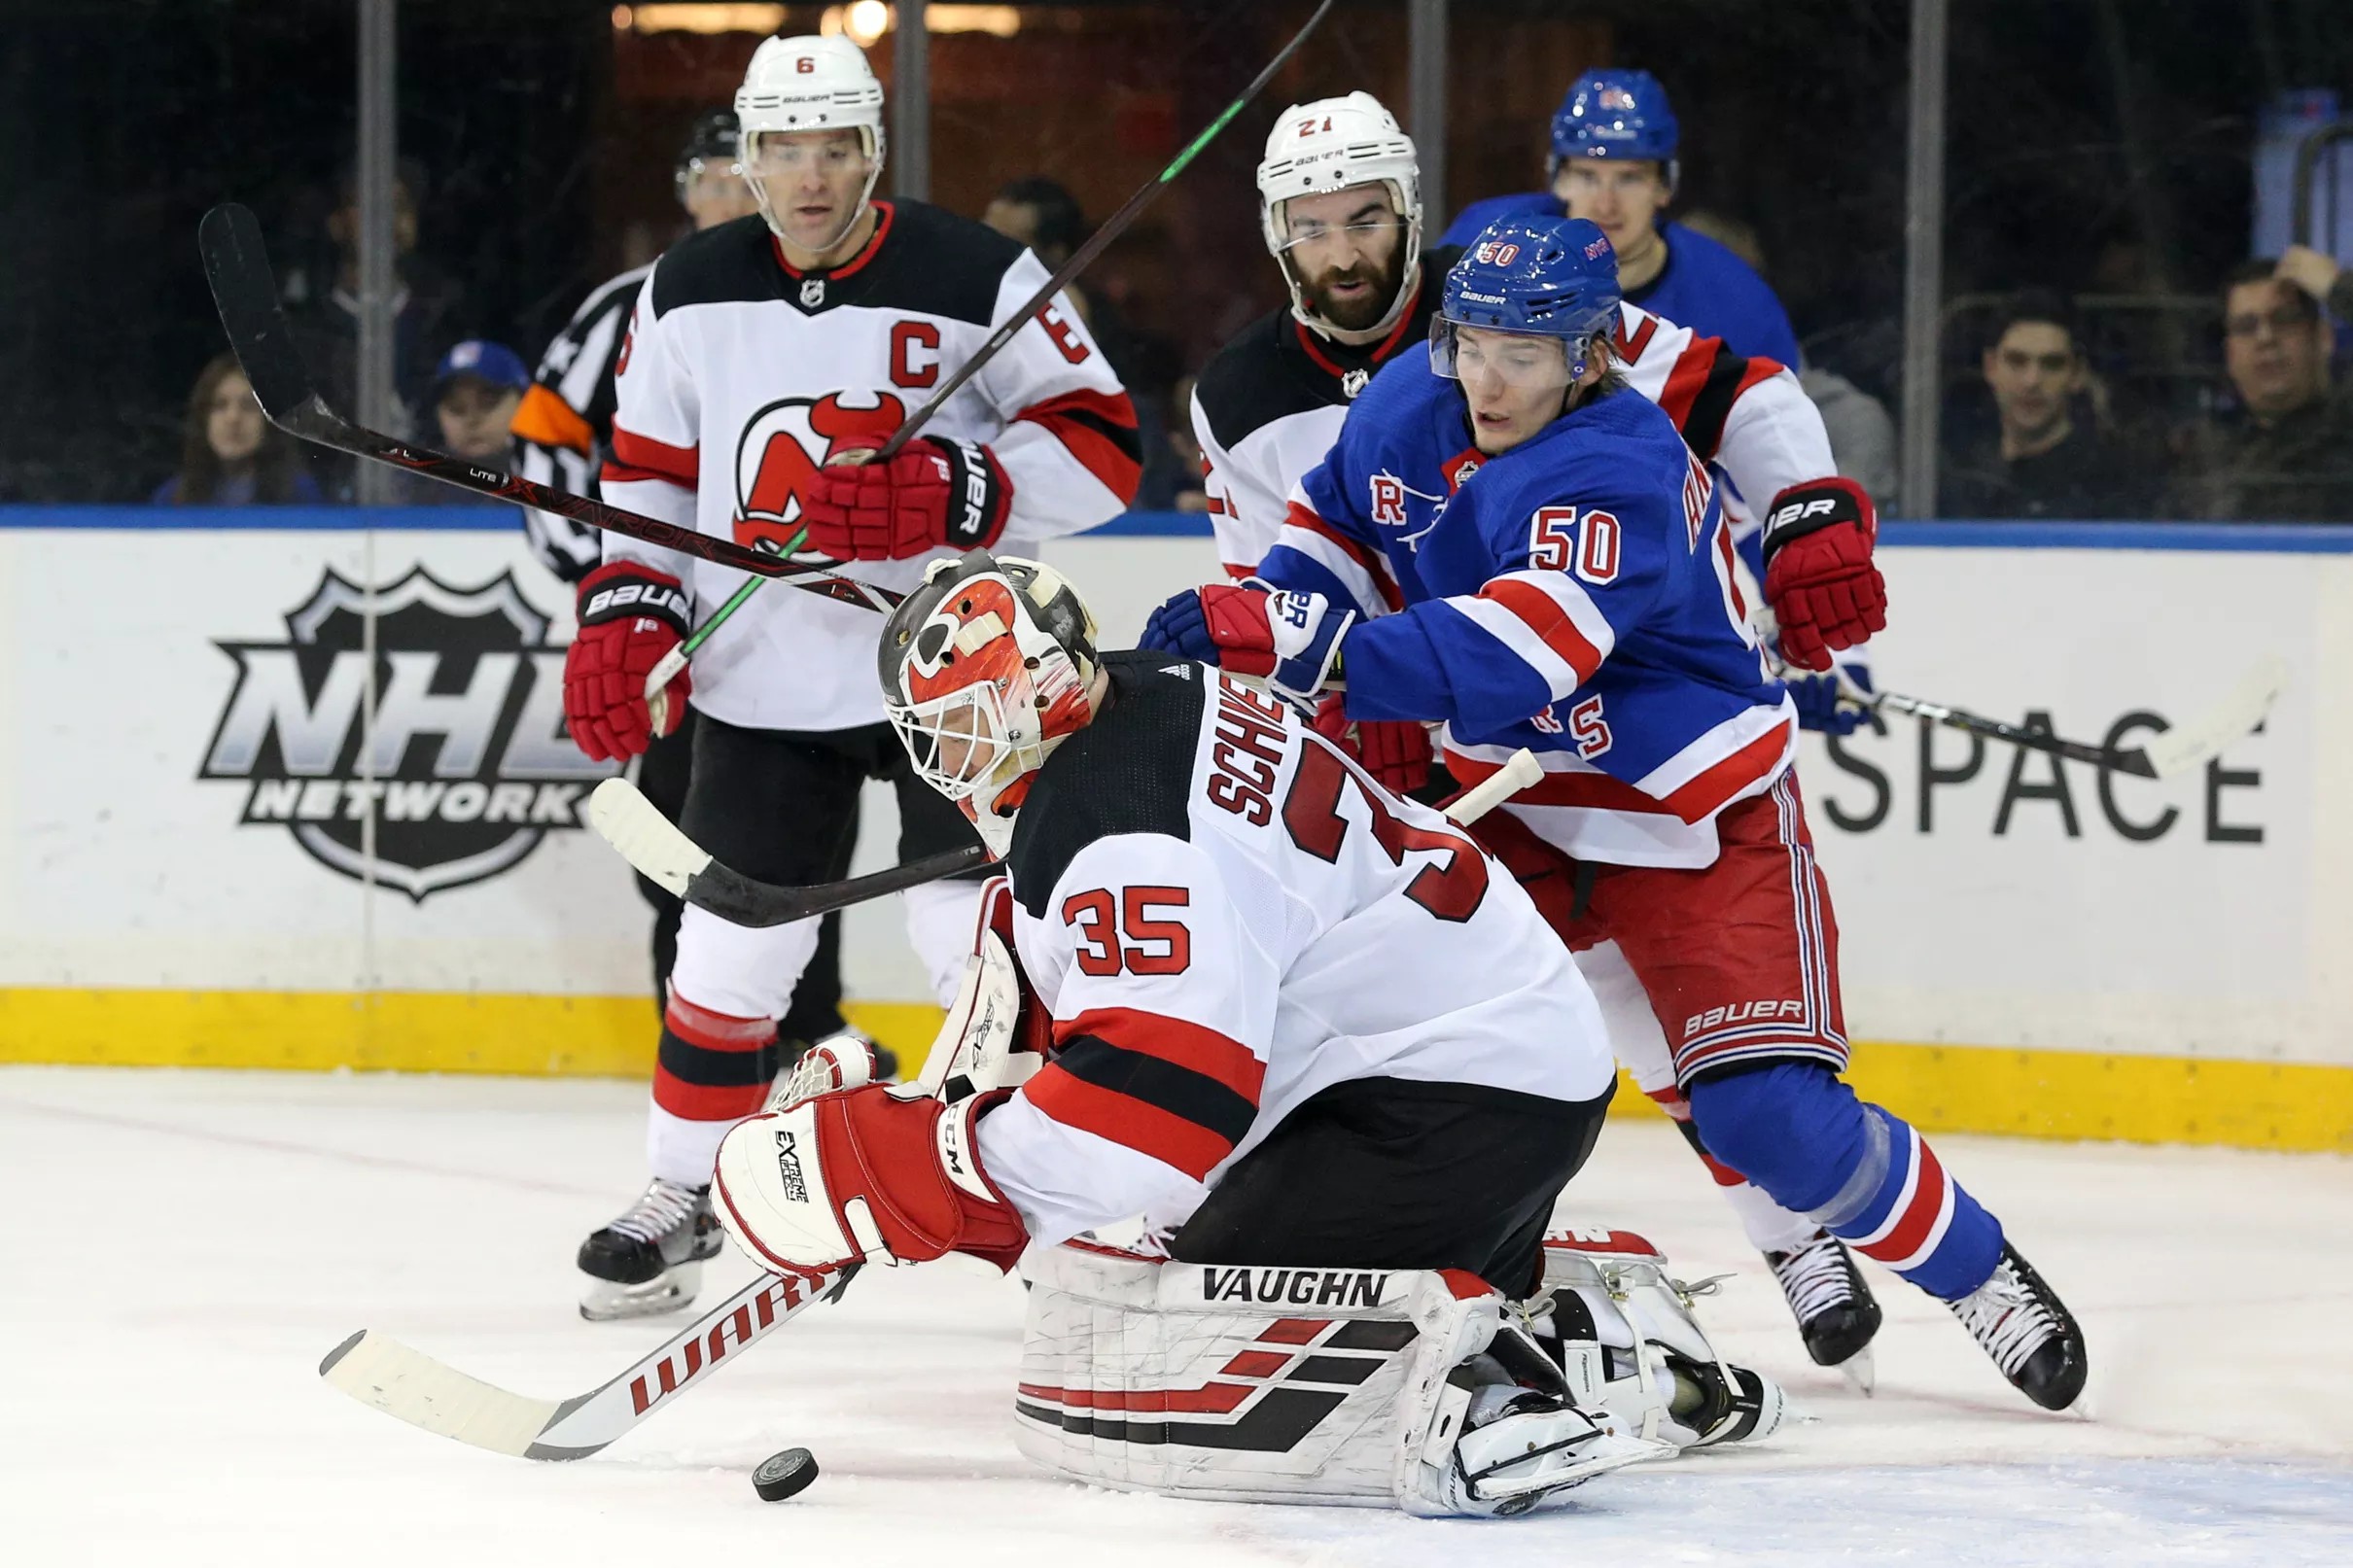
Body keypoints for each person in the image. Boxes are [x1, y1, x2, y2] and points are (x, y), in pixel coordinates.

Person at [1140, 218, 2089, 1414]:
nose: (1485, 379)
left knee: (1772, 1112)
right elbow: (1335, 534)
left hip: (1681, 803)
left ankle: (1973, 1270)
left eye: (1522, 354)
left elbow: (1516, 652)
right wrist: (1279, 612)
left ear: (1590, 354)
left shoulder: (1617, 463)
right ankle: (1397, 1284)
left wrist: (1314, 649)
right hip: (1511, 807)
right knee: (1424, 1050)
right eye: (1468, 342)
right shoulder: (1402, 401)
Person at [706, 550, 1786, 1516]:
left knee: (1131, 1354)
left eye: (959, 728)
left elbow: (1153, 1119)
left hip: (1432, 1105)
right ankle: (1602, 1344)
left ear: (1033, 689)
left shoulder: (1124, 827)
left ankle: (1490, 1400)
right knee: (1148, 1267)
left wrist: (900, 1174)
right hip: (1488, 1064)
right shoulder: (1152, 691)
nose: (950, 764)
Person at [1186, 94, 1891, 1380]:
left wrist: (1802, 517)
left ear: (1412, 213)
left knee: (1644, 992)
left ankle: (1786, 1227)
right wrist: (1343, 713)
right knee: (1490, 1008)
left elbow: (1739, 394)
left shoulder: (1516, 293)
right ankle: (1333, 1249)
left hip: (1547, 700)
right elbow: (1287, 589)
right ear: (1277, 238)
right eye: (1313, 226)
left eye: (1366, 218)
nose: (1344, 251)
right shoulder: (1235, 396)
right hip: (1402, 727)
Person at [563, 34, 1140, 1321]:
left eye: (834, 147)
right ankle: (679, 1193)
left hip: (962, 674)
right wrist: (630, 613)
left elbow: (1107, 449)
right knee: (728, 947)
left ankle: (1090, 1207)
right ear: (747, 157)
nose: (808, 176)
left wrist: (958, 486)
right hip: (767, 677)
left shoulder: (978, 271)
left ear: (873, 149)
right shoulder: (689, 288)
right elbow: (648, 475)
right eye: (782, 148)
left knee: (974, 945)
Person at [507, 110, 863, 1062]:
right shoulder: (643, 299)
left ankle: (804, 1034)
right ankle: (704, 1042)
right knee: (680, 844)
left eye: (734, 178)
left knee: (801, 853)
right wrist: (615, 584)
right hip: (678, 636)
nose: (727, 198)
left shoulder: (832, 303)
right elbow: (544, 436)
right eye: (707, 179)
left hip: (796, 635)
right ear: (682, 194)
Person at [1441, 70, 1800, 368]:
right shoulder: (1486, 242)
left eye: (1629, 178)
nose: (1605, 204)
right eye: (1586, 176)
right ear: (1558, 180)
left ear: (1664, 187)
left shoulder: (1737, 303)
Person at [2169, 261, 2353, 521]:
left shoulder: (2345, 425)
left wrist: (2339, 288)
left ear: (2323, 338)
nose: (2265, 338)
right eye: (2246, 327)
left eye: (2284, 320)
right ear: (2229, 355)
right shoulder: (2203, 454)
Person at [1943, 292, 2141, 519]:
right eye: (2016, 361)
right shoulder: (1962, 470)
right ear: (1990, 367)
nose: (2032, 381)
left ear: (2077, 374)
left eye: (2052, 364)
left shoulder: (2108, 485)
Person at [152, 353, 324, 505]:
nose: (233, 418)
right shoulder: (173, 498)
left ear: (270, 422)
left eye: (248, 406)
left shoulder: (299, 495)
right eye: (220, 405)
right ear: (203, 419)